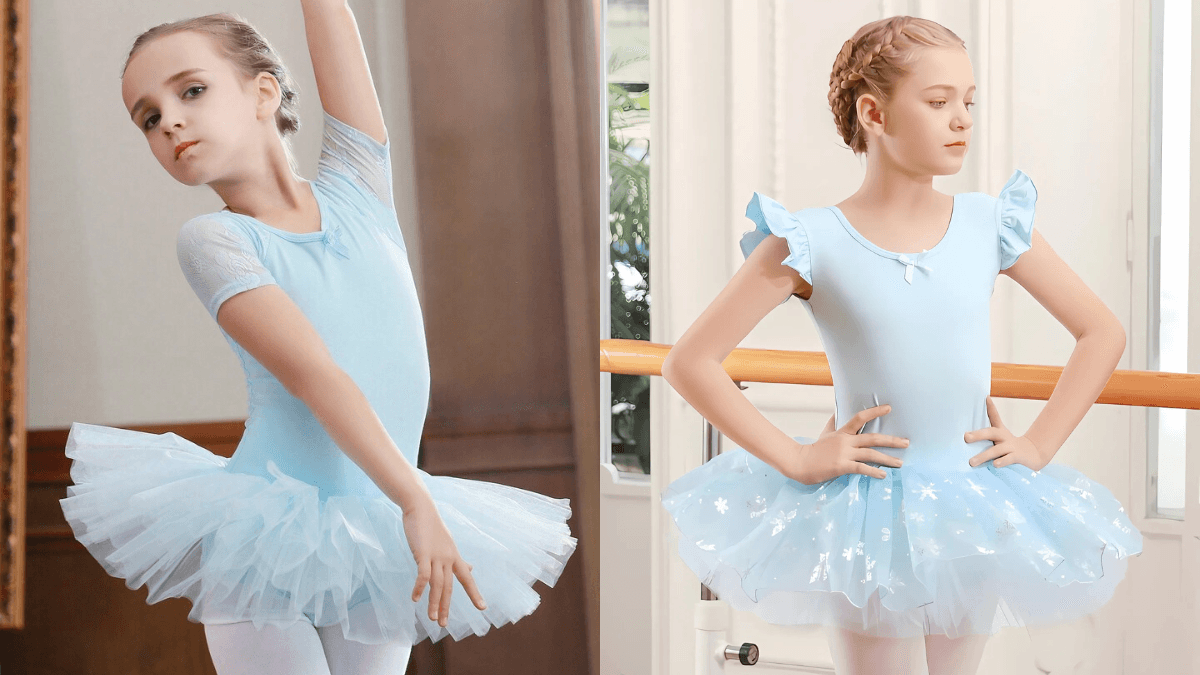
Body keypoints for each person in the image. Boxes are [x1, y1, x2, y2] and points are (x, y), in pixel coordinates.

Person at [59, 6, 576, 674]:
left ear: (264, 92)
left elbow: (333, 26)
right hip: (270, 538)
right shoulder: (215, 241)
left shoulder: (361, 185)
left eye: (190, 90)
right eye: (148, 118)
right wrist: (416, 498)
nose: (171, 122)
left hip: (375, 532)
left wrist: (406, 504)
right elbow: (317, 375)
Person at [658, 15, 1141, 675]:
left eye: (969, 101)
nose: (962, 119)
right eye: (939, 102)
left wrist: (1039, 444)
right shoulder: (811, 240)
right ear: (874, 113)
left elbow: (1101, 331)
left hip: (971, 502)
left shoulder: (988, 224)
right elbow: (689, 362)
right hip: (868, 511)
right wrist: (799, 458)